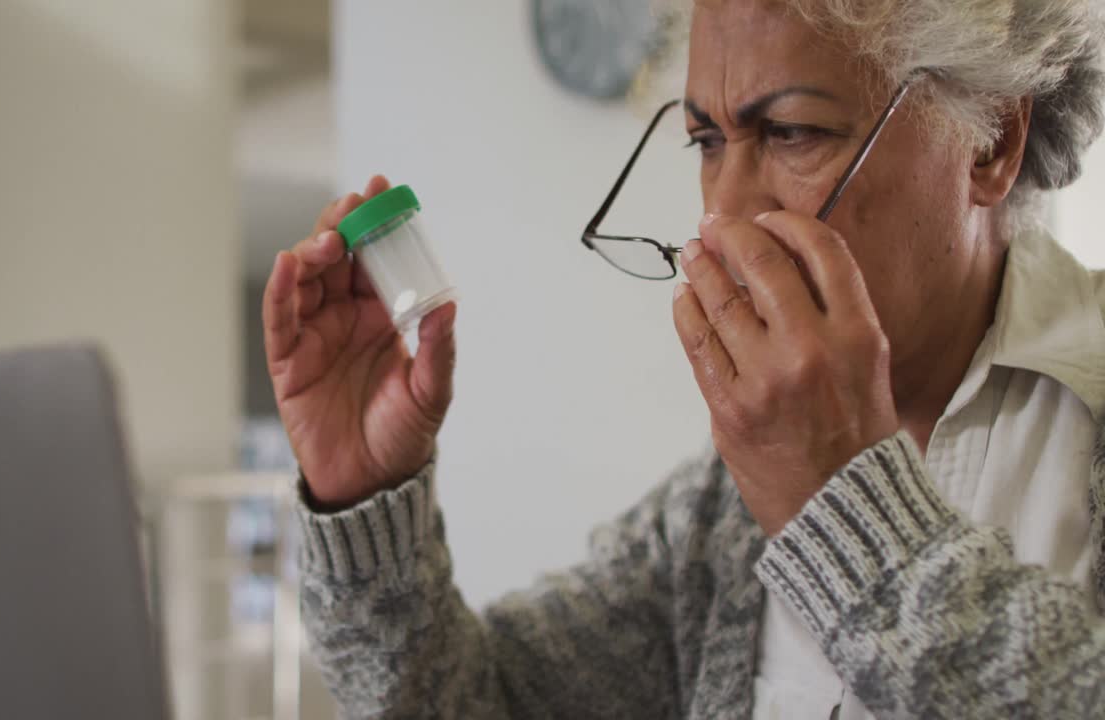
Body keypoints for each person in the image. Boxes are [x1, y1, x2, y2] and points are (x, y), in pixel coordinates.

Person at [262, 0, 1105, 717]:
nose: (722, 216)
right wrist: (365, 498)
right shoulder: (717, 509)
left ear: (991, 139)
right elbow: (472, 701)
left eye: (793, 132)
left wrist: (846, 511)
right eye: (705, 142)